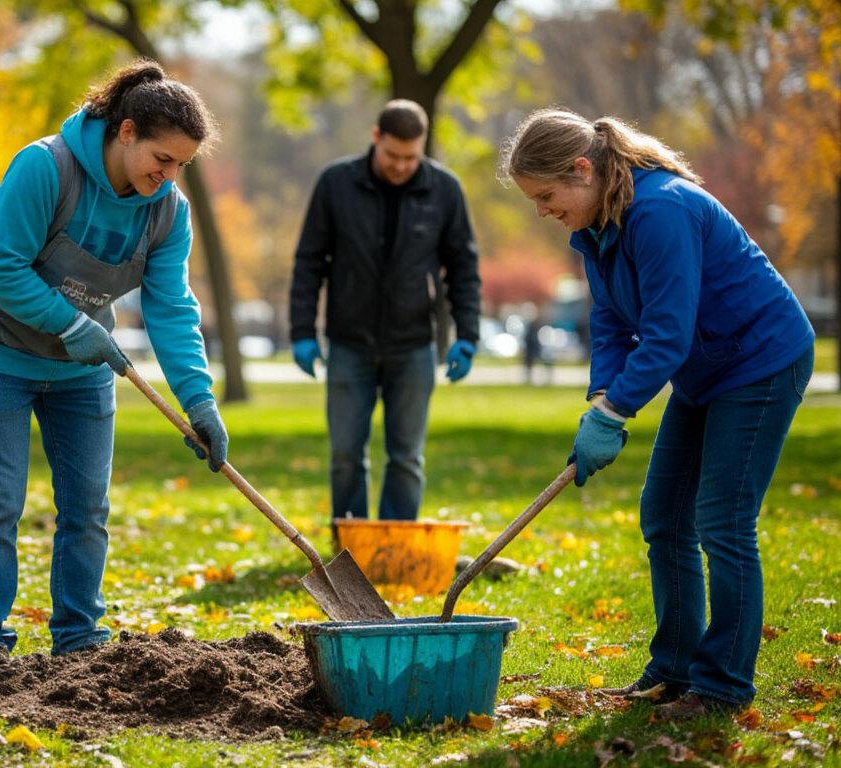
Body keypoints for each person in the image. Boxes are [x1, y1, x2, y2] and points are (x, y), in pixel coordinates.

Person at [500, 108, 814, 719]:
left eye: (545, 195)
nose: (541, 210)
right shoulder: (593, 230)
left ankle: (722, 687)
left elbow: (666, 336)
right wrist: (600, 400)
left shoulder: (661, 209)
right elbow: (613, 321)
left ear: (582, 169)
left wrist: (617, 412)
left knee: (722, 519)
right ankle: (673, 667)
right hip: (705, 369)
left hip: (760, 361)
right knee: (665, 516)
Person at [0, 59, 228, 672]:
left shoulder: (165, 210)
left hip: (80, 366)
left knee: (87, 505)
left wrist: (198, 401)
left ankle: (78, 638)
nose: (169, 175)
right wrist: (72, 325)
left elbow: (173, 308)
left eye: (181, 165)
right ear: (126, 131)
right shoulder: (45, 168)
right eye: (163, 158)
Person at [289, 100, 481, 525]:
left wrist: (467, 334)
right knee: (345, 455)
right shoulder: (336, 184)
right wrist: (302, 331)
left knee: (407, 456)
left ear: (423, 147)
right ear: (375, 138)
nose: (401, 166)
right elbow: (309, 262)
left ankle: (396, 544)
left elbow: (463, 268)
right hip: (349, 343)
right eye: (393, 155)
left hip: (413, 344)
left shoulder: (445, 190)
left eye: (411, 157)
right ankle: (351, 548)